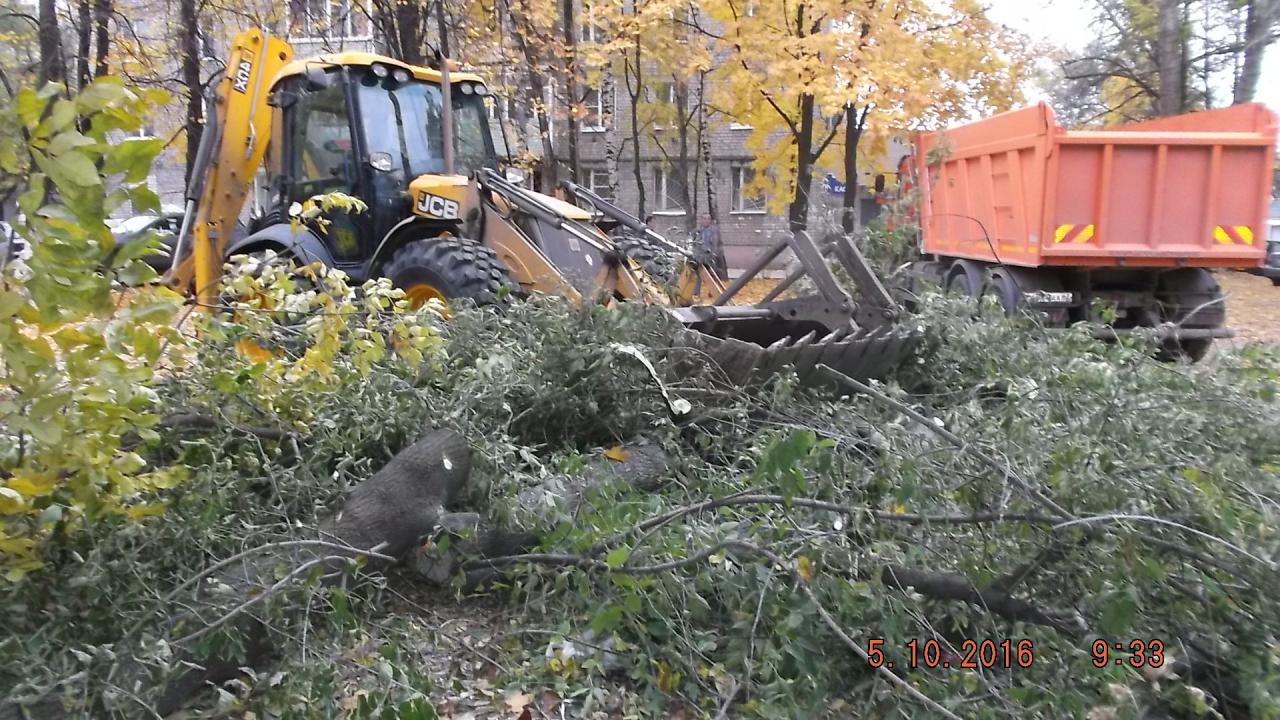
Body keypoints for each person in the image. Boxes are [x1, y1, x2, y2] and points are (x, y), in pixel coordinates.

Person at [697, 215, 728, 280]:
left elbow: (716, 244)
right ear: (701, 220)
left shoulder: (714, 230)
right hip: (702, 255)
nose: (706, 221)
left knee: (713, 273)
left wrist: (714, 254)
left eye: (708, 219)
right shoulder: (699, 231)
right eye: (704, 219)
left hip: (711, 255)